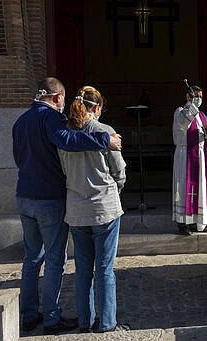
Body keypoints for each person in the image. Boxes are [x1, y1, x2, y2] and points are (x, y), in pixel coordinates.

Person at [12, 77, 122, 335]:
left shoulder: (20, 121)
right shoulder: (52, 119)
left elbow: (18, 158)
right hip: (50, 198)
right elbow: (68, 141)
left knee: (31, 259)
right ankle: (51, 318)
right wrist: (104, 140)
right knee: (54, 260)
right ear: (58, 97)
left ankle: (28, 315)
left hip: (24, 195)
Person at [58, 86, 129, 333]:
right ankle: (107, 322)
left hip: (77, 209)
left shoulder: (65, 135)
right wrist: (116, 188)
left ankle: (84, 321)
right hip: (104, 207)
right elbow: (119, 170)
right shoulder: (104, 131)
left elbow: (64, 171)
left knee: (82, 270)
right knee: (105, 269)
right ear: (96, 108)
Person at [172, 84, 207, 235]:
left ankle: (197, 223)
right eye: (196, 96)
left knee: (200, 189)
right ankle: (183, 223)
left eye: (201, 97)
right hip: (185, 156)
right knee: (183, 188)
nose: (199, 99)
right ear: (188, 96)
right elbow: (183, 122)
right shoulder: (180, 112)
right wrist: (191, 106)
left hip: (199, 155)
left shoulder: (203, 116)